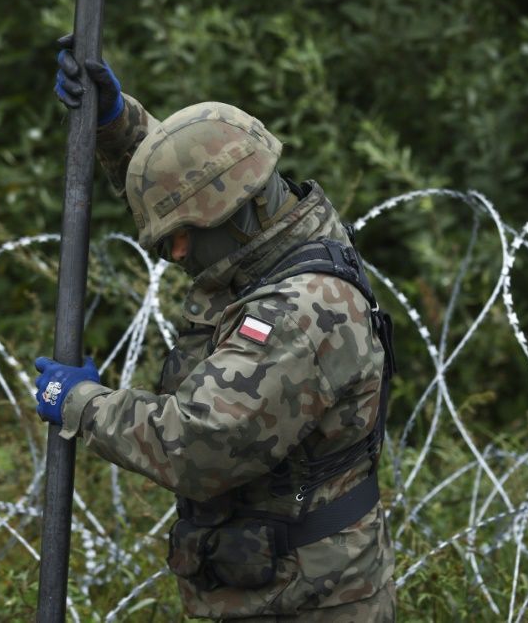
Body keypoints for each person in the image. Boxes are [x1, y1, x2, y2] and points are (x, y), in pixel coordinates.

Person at [34, 36, 397, 621]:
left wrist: (79, 404)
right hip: (268, 583)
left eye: (184, 233)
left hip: (304, 602)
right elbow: (202, 170)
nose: (173, 251)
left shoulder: (299, 312)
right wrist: (114, 123)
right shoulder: (282, 232)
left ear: (240, 210)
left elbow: (199, 447)